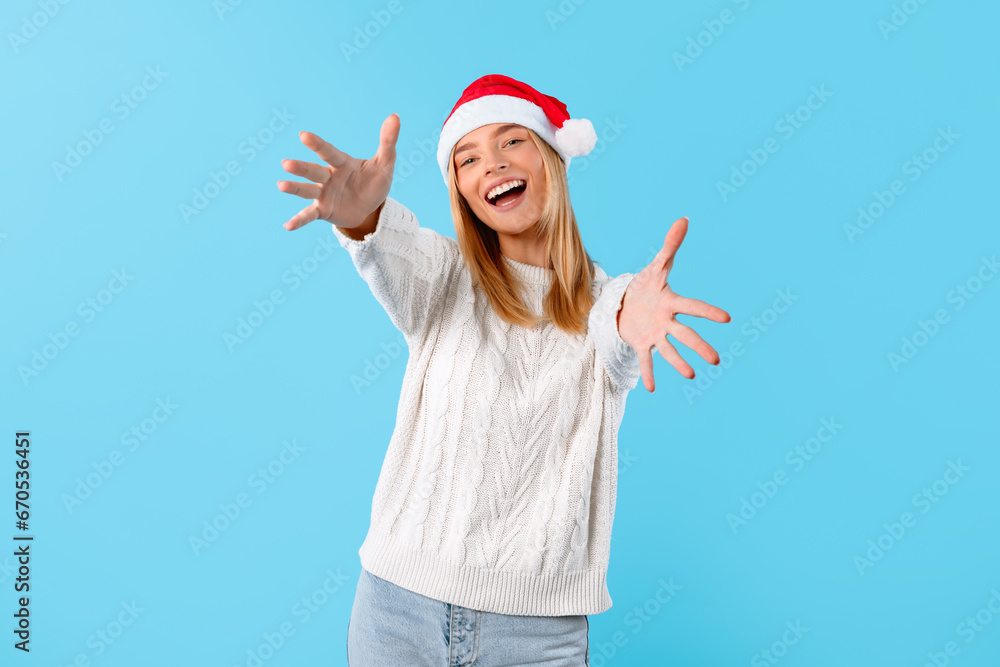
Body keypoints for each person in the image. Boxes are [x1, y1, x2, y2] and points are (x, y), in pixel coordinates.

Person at [277, 74, 730, 666]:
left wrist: (630, 315)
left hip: (536, 636)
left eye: (511, 142)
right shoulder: (440, 277)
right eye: (468, 158)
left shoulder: (606, 304)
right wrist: (364, 219)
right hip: (396, 611)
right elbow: (389, 247)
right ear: (461, 189)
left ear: (551, 157)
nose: (490, 164)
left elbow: (617, 333)